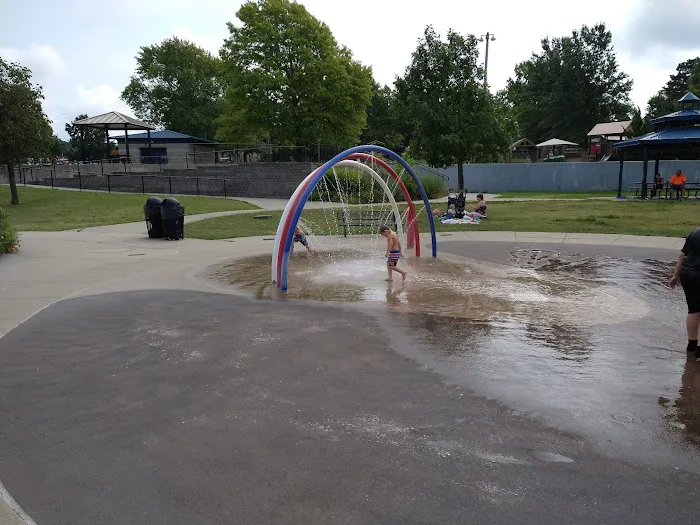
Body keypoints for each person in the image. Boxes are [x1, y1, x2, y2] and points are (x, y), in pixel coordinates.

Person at [670, 227, 700, 358]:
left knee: (693, 310)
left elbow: (682, 255)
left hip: (687, 273)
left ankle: (692, 345)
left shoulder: (695, 232)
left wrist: (675, 276)